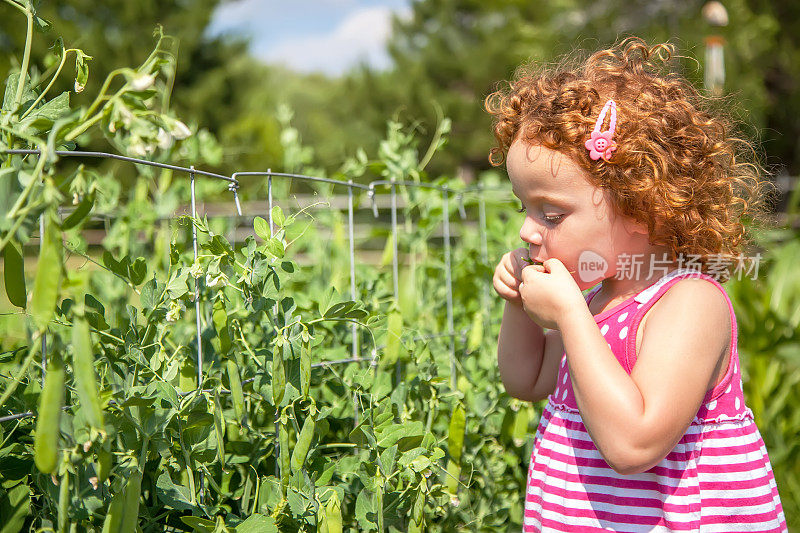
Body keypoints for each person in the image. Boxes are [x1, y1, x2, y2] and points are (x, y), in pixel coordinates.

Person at [485, 38, 787, 532]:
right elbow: (527, 380)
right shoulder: (596, 301)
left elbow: (634, 446)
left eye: (552, 213)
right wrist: (518, 305)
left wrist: (568, 314)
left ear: (641, 210)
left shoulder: (690, 303)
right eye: (526, 208)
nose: (526, 229)